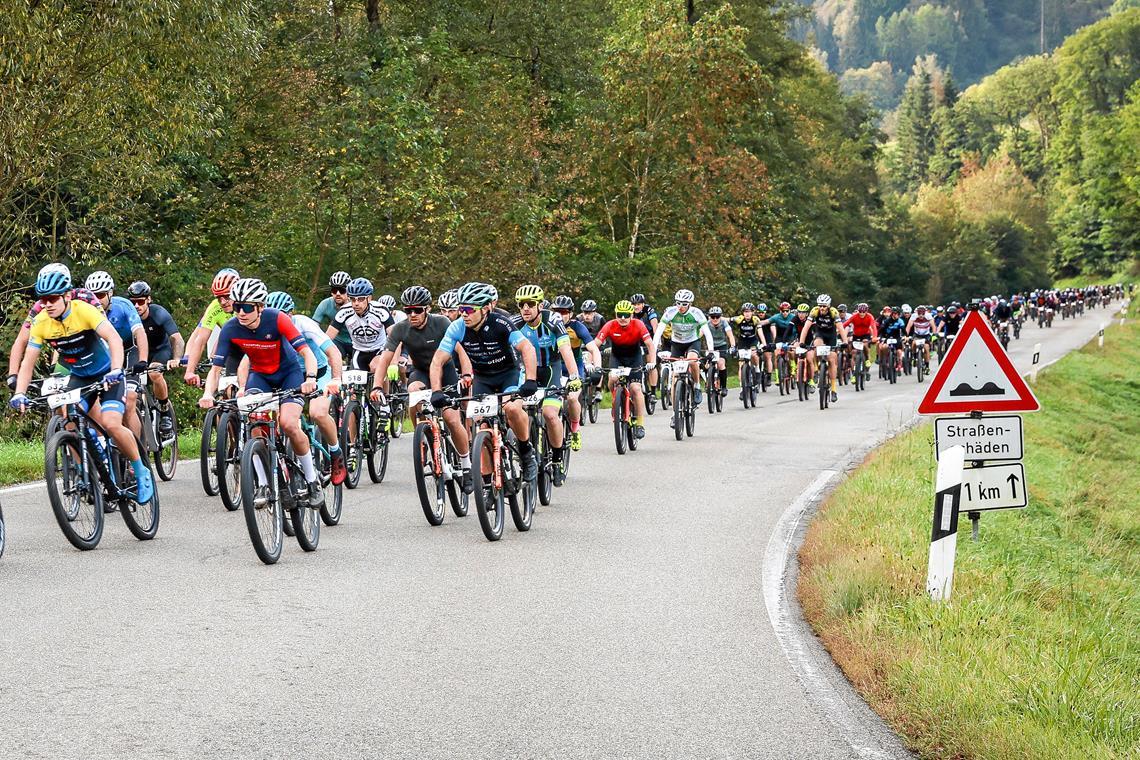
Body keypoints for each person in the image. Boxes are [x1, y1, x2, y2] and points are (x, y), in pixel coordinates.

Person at [10, 266, 155, 504]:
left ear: (67, 296)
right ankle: (87, 473)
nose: (47, 304)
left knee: (110, 423)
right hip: (79, 376)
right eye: (43, 299)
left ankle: (140, 469)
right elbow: (28, 362)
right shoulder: (41, 323)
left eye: (53, 298)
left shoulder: (84, 310)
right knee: (68, 422)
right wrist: (20, 393)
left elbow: (114, 339)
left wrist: (117, 369)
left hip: (106, 372)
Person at [199, 278, 325, 507]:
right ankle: (265, 484)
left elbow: (306, 353)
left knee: (288, 423)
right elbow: (216, 369)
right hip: (260, 377)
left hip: (289, 374)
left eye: (247, 307)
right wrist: (208, 393)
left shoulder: (277, 319)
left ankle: (312, 480)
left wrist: (311, 379)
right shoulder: (230, 328)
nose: (241, 313)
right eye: (237, 307)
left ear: (260, 306)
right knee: (255, 425)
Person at [429, 282, 539, 483]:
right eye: (461, 309)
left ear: (486, 308)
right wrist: (436, 391)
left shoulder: (501, 323)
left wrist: (530, 380)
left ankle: (525, 450)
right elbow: (438, 360)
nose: (464, 314)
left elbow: (527, 349)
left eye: (470, 309)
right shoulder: (457, 327)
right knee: (482, 426)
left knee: (512, 409)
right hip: (483, 379)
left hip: (509, 374)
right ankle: (487, 484)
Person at [371, 285, 474, 492]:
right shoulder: (401, 328)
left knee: (452, 419)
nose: (412, 315)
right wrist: (376, 386)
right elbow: (385, 358)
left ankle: (466, 466)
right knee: (414, 392)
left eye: (417, 310)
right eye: (408, 310)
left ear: (427, 309)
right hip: (420, 371)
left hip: (445, 372)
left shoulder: (441, 322)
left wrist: (466, 374)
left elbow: (460, 350)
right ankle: (424, 433)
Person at [266, 291, 347, 486]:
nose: (278, 320)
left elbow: (333, 352)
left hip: (318, 373)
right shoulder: (266, 327)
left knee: (317, 413)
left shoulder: (304, 324)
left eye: (282, 315)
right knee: (278, 418)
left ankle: (336, 452)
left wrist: (335, 379)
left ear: (291, 314)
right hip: (290, 377)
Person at [511, 285, 582, 485]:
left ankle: (558, 459)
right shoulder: (515, 323)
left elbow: (566, 349)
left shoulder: (553, 320)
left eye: (530, 304)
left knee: (550, 414)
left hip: (551, 368)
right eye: (521, 305)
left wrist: (574, 376)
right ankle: (523, 448)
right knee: (515, 410)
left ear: (540, 305)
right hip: (527, 371)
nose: (525, 308)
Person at [7, 264, 102, 390]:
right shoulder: (41, 306)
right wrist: (13, 374)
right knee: (56, 397)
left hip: (94, 353)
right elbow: (21, 340)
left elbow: (104, 328)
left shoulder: (85, 297)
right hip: (68, 357)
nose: (48, 302)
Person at [85, 271, 149, 438]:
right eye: (93, 295)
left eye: (100, 295)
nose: (96, 300)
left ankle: (137, 453)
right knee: (96, 405)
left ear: (110, 293)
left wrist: (142, 360)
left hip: (129, 352)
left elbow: (140, 333)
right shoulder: (85, 310)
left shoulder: (124, 306)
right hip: (105, 357)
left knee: (129, 401)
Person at [127, 280, 185, 436]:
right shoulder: (127, 316)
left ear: (148, 300)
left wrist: (177, 358)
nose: (137, 306)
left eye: (140, 301)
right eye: (133, 303)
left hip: (160, 350)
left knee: (154, 373)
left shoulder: (159, 313)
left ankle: (165, 411)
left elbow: (176, 338)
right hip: (138, 352)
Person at [595, 300, 657, 438]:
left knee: (635, 388)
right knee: (612, 378)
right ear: (615, 314)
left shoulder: (639, 324)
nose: (623, 318)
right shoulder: (610, 325)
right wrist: (592, 360)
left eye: (626, 315)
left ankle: (640, 423)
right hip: (617, 357)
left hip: (634, 357)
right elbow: (595, 344)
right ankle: (615, 401)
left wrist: (652, 362)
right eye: (619, 314)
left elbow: (650, 345)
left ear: (631, 315)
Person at [550, 295, 602, 452]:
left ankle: (574, 429)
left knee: (572, 398)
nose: (560, 315)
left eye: (564, 312)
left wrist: (597, 368)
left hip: (574, 367)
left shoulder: (577, 327)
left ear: (571, 314)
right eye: (556, 311)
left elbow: (593, 348)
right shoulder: (547, 325)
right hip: (555, 367)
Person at [652, 289, 715, 409]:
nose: (680, 306)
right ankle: (675, 412)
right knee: (675, 376)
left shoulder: (697, 313)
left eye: (684, 304)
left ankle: (696, 386)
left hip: (692, 342)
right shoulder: (670, 312)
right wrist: (654, 350)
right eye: (678, 303)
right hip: (676, 343)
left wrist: (710, 351)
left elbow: (707, 333)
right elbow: (659, 331)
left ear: (690, 304)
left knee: (692, 361)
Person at [183, 268, 241, 387]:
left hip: (253, 345)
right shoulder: (214, 307)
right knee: (228, 387)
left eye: (227, 297)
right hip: (233, 348)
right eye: (219, 298)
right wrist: (189, 372)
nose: (223, 302)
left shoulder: (249, 305)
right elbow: (200, 340)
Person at [799, 294, 848, 403]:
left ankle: (834, 389)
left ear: (829, 306)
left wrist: (845, 342)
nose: (822, 308)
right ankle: (816, 370)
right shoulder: (814, 311)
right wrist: (801, 342)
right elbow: (806, 327)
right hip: (820, 333)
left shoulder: (834, 312)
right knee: (816, 346)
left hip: (831, 335)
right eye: (820, 306)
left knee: (831, 359)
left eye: (824, 306)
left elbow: (840, 328)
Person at [312, 271, 354, 360]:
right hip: (338, 340)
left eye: (342, 290)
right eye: (334, 290)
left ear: (349, 291)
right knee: (328, 358)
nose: (338, 293)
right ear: (331, 292)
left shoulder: (356, 305)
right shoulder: (325, 304)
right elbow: (313, 327)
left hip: (356, 342)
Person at [706, 306, 735, 397]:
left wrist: (733, 346)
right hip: (711, 347)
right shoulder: (706, 324)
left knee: (721, 364)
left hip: (722, 346)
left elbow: (730, 336)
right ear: (709, 317)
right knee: (706, 365)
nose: (715, 319)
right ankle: (709, 382)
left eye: (717, 316)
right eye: (712, 317)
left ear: (720, 316)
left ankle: (723, 387)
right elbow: (699, 334)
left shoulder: (724, 323)